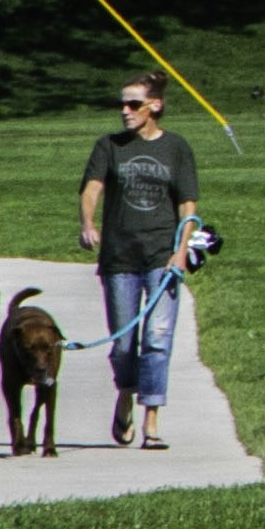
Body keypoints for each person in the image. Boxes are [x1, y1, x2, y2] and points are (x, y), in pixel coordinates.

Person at [74, 77, 207, 453]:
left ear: (156, 106)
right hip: (119, 257)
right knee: (123, 344)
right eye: (123, 105)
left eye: (134, 104)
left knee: (157, 340)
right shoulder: (109, 146)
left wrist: (181, 250)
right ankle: (125, 394)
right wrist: (88, 223)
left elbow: (187, 204)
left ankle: (151, 423)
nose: (125, 111)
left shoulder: (176, 147)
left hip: (162, 256)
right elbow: (91, 189)